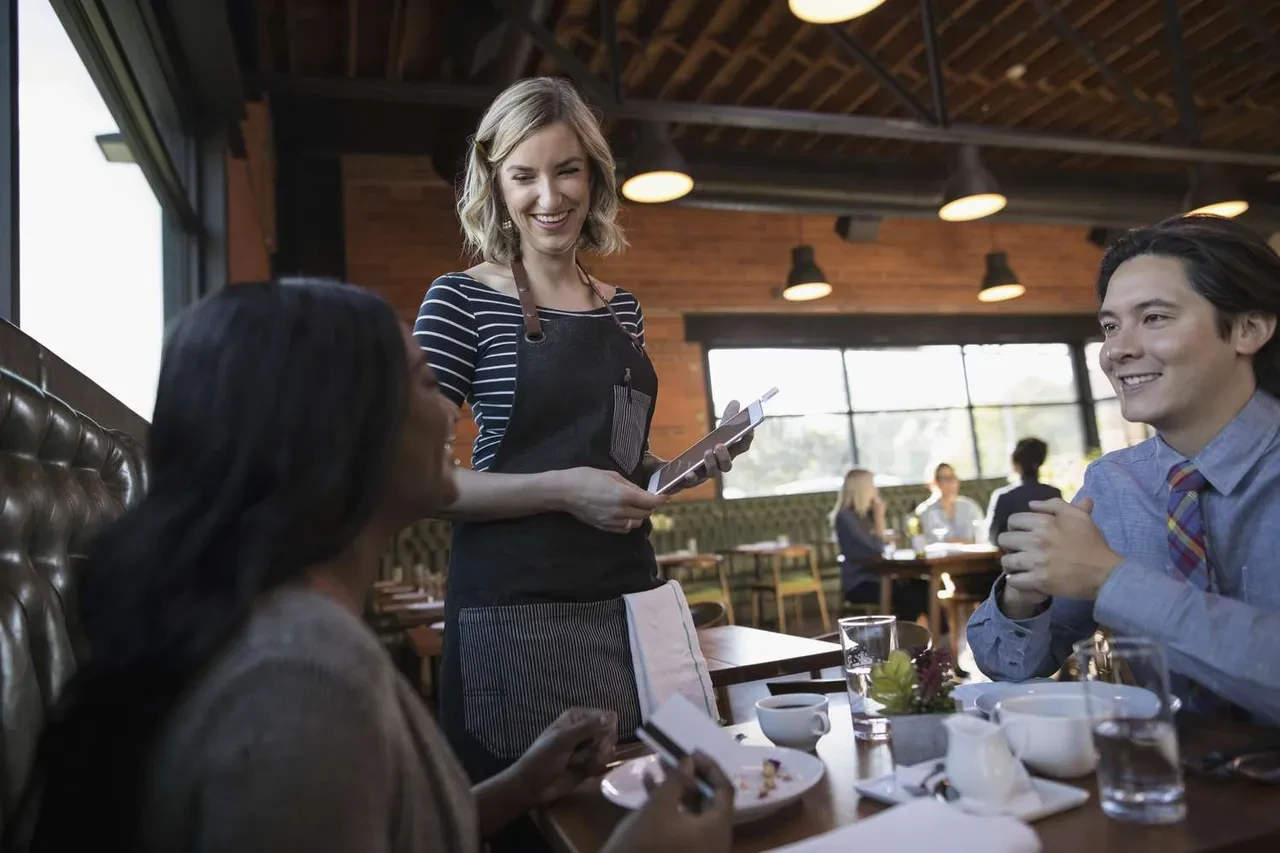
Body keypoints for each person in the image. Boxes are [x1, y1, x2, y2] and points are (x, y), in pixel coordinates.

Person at [7, 281, 736, 853]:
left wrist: (515, 786)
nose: (452, 415)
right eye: (424, 380)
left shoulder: (290, 633)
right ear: (339, 430)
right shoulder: (299, 682)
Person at [416, 77, 752, 786]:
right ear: (496, 185)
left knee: (656, 804)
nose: (549, 196)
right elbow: (417, 479)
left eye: (567, 169)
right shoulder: (460, 300)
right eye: (524, 175)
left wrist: (699, 458)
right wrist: (563, 491)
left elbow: (621, 464)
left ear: (593, 175)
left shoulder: (621, 309)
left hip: (633, 608)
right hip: (517, 619)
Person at [967, 214, 1280, 724]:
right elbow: (1010, 666)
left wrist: (1111, 581)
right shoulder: (1113, 484)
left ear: (1248, 328)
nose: (1116, 350)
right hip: (1163, 786)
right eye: (1110, 325)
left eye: (1154, 317)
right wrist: (1025, 596)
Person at [832, 468, 930, 624]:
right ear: (861, 488)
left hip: (880, 577)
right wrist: (879, 519)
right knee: (909, 594)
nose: (875, 489)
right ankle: (905, 640)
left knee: (925, 587)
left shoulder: (865, 514)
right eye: (871, 484)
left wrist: (883, 532)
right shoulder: (846, 517)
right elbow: (876, 548)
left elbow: (879, 543)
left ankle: (938, 638)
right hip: (860, 582)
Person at [984, 438, 1063, 544]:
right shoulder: (1054, 493)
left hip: (1014, 558)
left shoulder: (1004, 496)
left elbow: (993, 538)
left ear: (1014, 461)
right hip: (1051, 557)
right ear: (1041, 461)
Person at [915, 462, 984, 544]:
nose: (951, 483)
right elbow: (923, 542)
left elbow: (982, 535)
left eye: (953, 477)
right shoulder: (925, 511)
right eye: (945, 479)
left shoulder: (970, 506)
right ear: (934, 482)